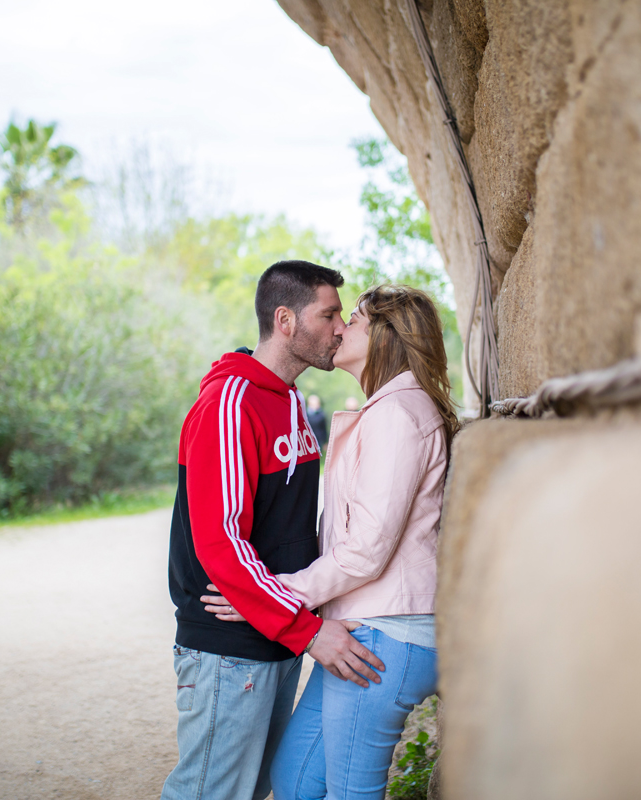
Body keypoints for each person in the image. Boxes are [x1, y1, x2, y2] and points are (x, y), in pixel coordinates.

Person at [203, 284, 460, 800]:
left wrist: (275, 594)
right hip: (362, 626)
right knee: (296, 779)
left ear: (386, 337)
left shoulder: (396, 414)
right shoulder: (388, 409)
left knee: (349, 792)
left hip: (388, 632)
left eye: (356, 320)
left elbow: (366, 548)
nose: (341, 327)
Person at [162, 261, 387, 800]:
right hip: (230, 645)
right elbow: (221, 544)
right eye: (329, 313)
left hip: (273, 632)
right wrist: (308, 632)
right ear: (285, 320)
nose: (340, 327)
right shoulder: (229, 404)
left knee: (254, 790)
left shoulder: (287, 398)